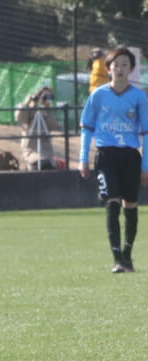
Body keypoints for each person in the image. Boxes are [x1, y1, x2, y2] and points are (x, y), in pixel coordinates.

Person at [79, 47, 148, 274]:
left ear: (131, 69)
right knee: (112, 203)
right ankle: (117, 258)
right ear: (108, 69)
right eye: (115, 65)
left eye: (124, 65)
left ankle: (127, 255)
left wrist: (145, 166)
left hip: (130, 156)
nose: (119, 69)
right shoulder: (98, 95)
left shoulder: (139, 97)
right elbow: (87, 128)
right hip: (106, 156)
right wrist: (83, 159)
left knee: (130, 205)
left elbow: (146, 133)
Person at [15, 86, 60, 172]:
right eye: (44, 96)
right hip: (31, 147)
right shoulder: (30, 109)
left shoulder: (46, 111)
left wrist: (47, 109)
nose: (46, 99)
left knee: (48, 164)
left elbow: (53, 126)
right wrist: (27, 103)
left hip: (46, 149)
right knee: (36, 163)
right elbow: (20, 118)